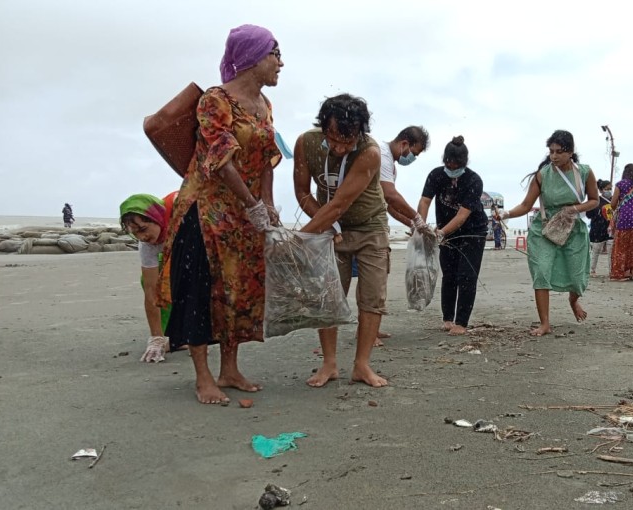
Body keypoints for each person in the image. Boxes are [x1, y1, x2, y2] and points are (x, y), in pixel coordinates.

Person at [158, 24, 283, 404]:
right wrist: (253, 205)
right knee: (200, 290)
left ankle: (230, 368)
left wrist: (268, 205)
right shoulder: (215, 100)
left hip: (244, 215)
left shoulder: (264, 105)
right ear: (251, 58)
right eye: (274, 55)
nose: (280, 63)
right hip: (206, 211)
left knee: (239, 290)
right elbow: (222, 161)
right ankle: (203, 377)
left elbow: (265, 160)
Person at [293, 93, 389, 388]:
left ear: (360, 133)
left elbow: (340, 204)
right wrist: (324, 227)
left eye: (347, 142)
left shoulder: (370, 152)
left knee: (372, 298)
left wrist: (300, 238)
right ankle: (329, 364)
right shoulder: (306, 143)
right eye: (334, 139)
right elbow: (303, 193)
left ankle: (362, 365)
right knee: (328, 297)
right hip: (328, 228)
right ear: (323, 127)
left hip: (370, 227)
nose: (339, 147)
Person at [496, 130, 598, 336]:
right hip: (545, 227)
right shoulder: (543, 175)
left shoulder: (584, 172)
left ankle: (573, 300)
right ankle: (545, 323)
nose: (553, 156)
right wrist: (506, 214)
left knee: (577, 276)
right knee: (541, 271)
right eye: (551, 151)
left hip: (573, 228)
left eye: (559, 152)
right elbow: (526, 205)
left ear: (570, 152)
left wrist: (574, 209)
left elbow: (594, 200)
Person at [417, 136, 489, 336]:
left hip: (473, 231)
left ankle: (461, 322)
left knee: (466, 276)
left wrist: (440, 233)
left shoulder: (474, 180)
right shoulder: (436, 175)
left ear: (464, 163)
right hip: (446, 233)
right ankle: (448, 318)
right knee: (449, 275)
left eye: (456, 164)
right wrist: (420, 225)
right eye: (448, 163)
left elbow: (462, 215)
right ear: (444, 160)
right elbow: (424, 202)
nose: (451, 167)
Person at [374, 126, 432, 345]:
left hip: (376, 222)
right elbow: (390, 194)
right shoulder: (380, 154)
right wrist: (417, 218)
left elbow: (388, 205)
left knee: (378, 282)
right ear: (405, 144)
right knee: (373, 281)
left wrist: (411, 223)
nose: (412, 158)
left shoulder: (392, 166)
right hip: (362, 225)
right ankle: (367, 333)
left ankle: (373, 329)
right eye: (414, 153)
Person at [120, 192, 180, 363]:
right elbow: (150, 290)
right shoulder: (146, 246)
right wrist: (155, 339)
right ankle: (169, 335)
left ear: (156, 217)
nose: (142, 237)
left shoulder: (178, 206)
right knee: (153, 283)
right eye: (135, 233)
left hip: (194, 244)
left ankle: (190, 335)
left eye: (143, 229)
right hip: (168, 252)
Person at [586, 179, 613, 277]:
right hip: (598, 228)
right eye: (607, 189)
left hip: (611, 228)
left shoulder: (614, 200)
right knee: (596, 250)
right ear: (601, 190)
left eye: (610, 188)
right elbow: (588, 214)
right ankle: (592, 270)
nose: (609, 191)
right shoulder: (596, 200)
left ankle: (612, 270)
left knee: (611, 250)